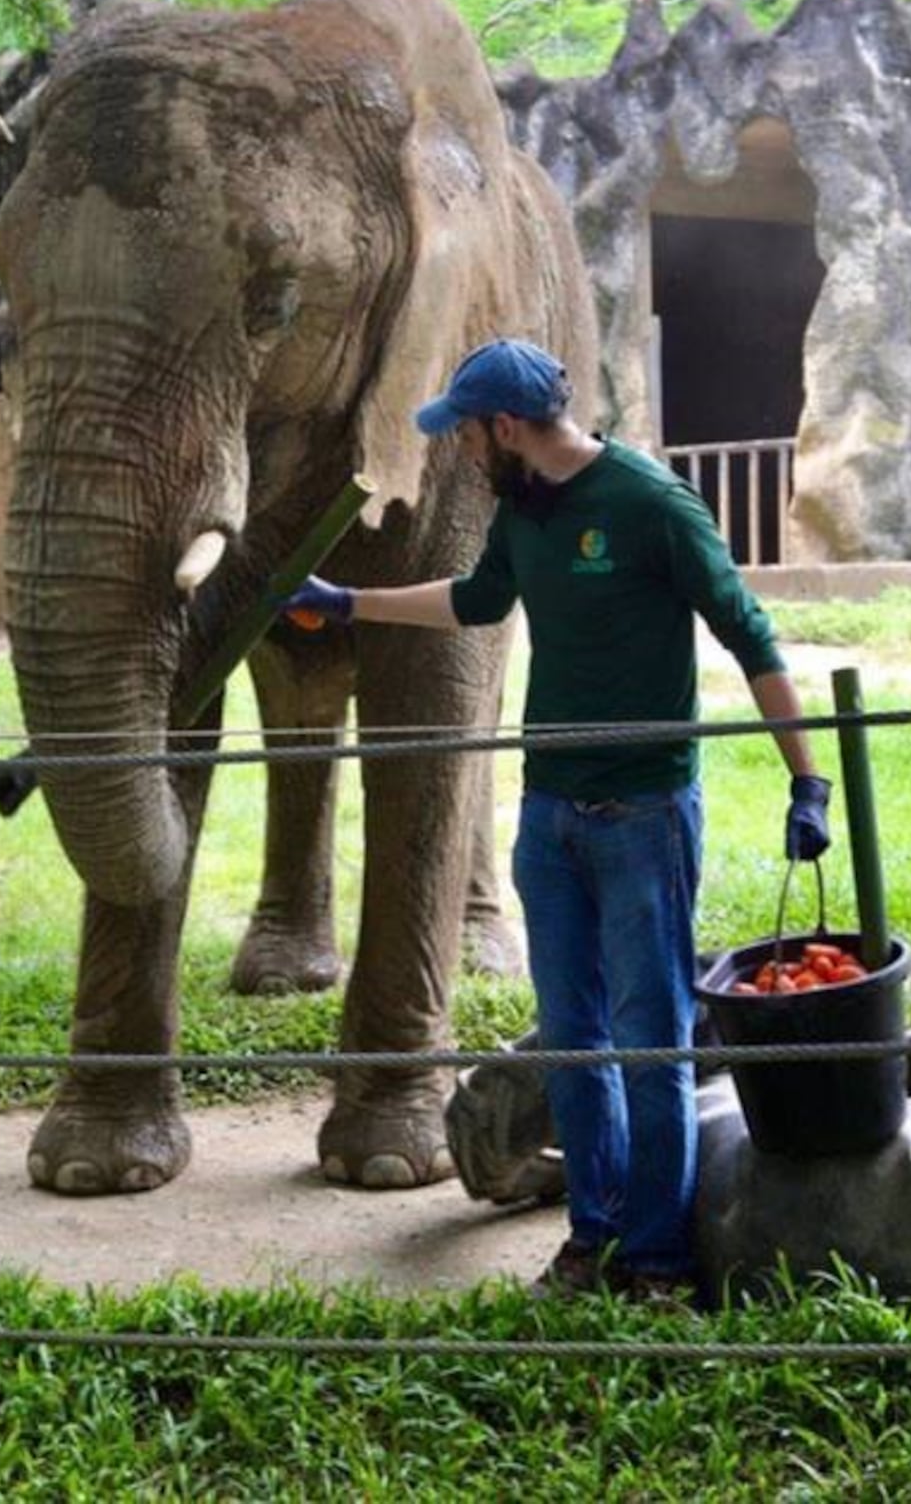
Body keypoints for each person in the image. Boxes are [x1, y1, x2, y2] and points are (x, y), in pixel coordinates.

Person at [285, 337, 832, 1302]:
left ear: (505, 428)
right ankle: (595, 1238)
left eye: (463, 433)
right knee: (575, 1037)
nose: (456, 452)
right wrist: (347, 603)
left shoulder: (652, 504)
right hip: (550, 818)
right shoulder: (523, 511)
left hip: (643, 814)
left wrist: (808, 782)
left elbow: (749, 632)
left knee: (651, 1038)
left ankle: (657, 1260)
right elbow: (477, 600)